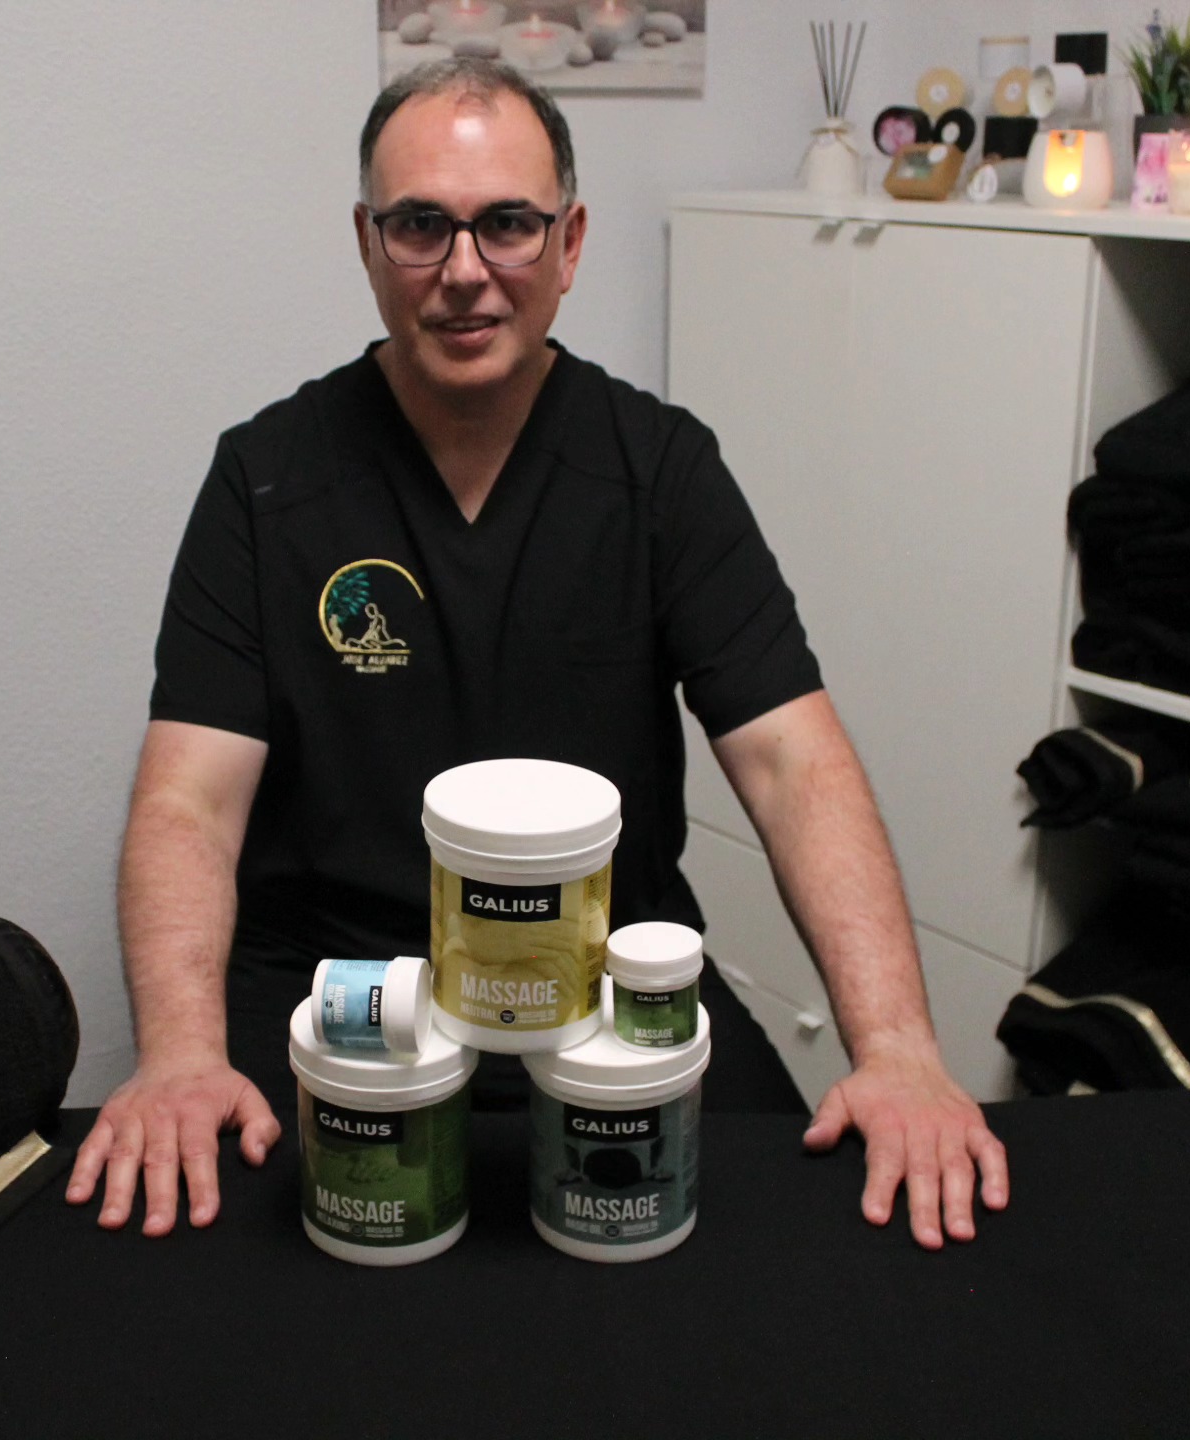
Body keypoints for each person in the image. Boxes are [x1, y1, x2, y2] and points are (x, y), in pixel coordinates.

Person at [66, 58, 1008, 1251]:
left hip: (604, 996)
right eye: (421, 225)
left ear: (569, 243)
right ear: (368, 244)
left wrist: (901, 1050)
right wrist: (179, 1054)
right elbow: (189, 804)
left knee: (788, 1249)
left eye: (507, 223)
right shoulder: (267, 480)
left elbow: (793, 766)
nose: (465, 269)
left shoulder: (660, 471)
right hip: (346, 995)